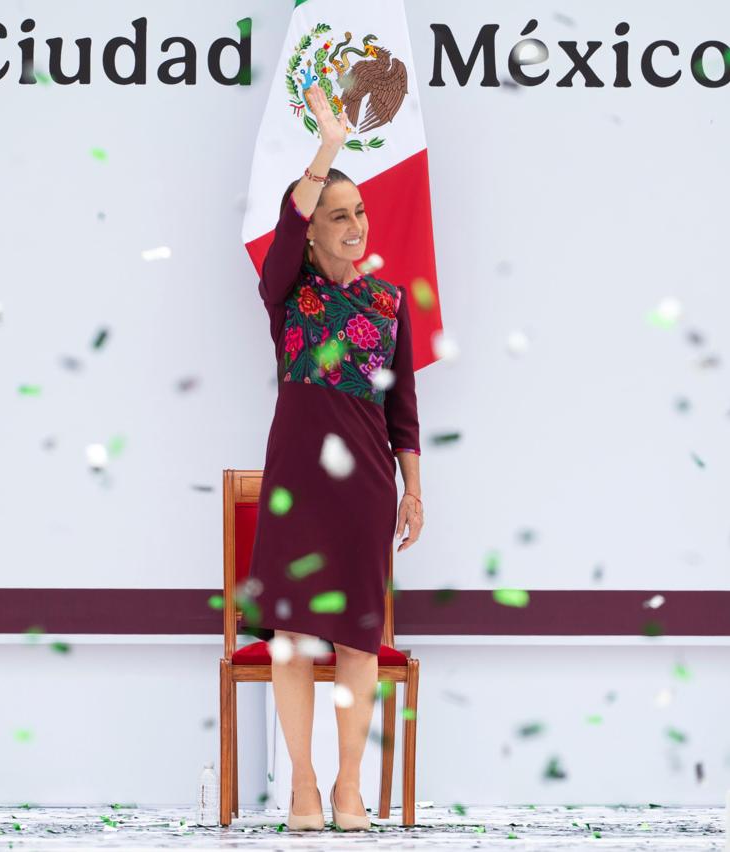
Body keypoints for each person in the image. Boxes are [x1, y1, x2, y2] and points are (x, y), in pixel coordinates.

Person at [242, 83, 424, 831]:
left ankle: (350, 788)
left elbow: (403, 411)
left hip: (365, 493)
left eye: (360, 213)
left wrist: (413, 491)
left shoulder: (390, 304)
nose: (355, 226)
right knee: (290, 638)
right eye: (338, 215)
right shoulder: (285, 293)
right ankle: (303, 788)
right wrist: (328, 146)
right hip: (297, 487)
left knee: (357, 641)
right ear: (311, 229)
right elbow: (285, 227)